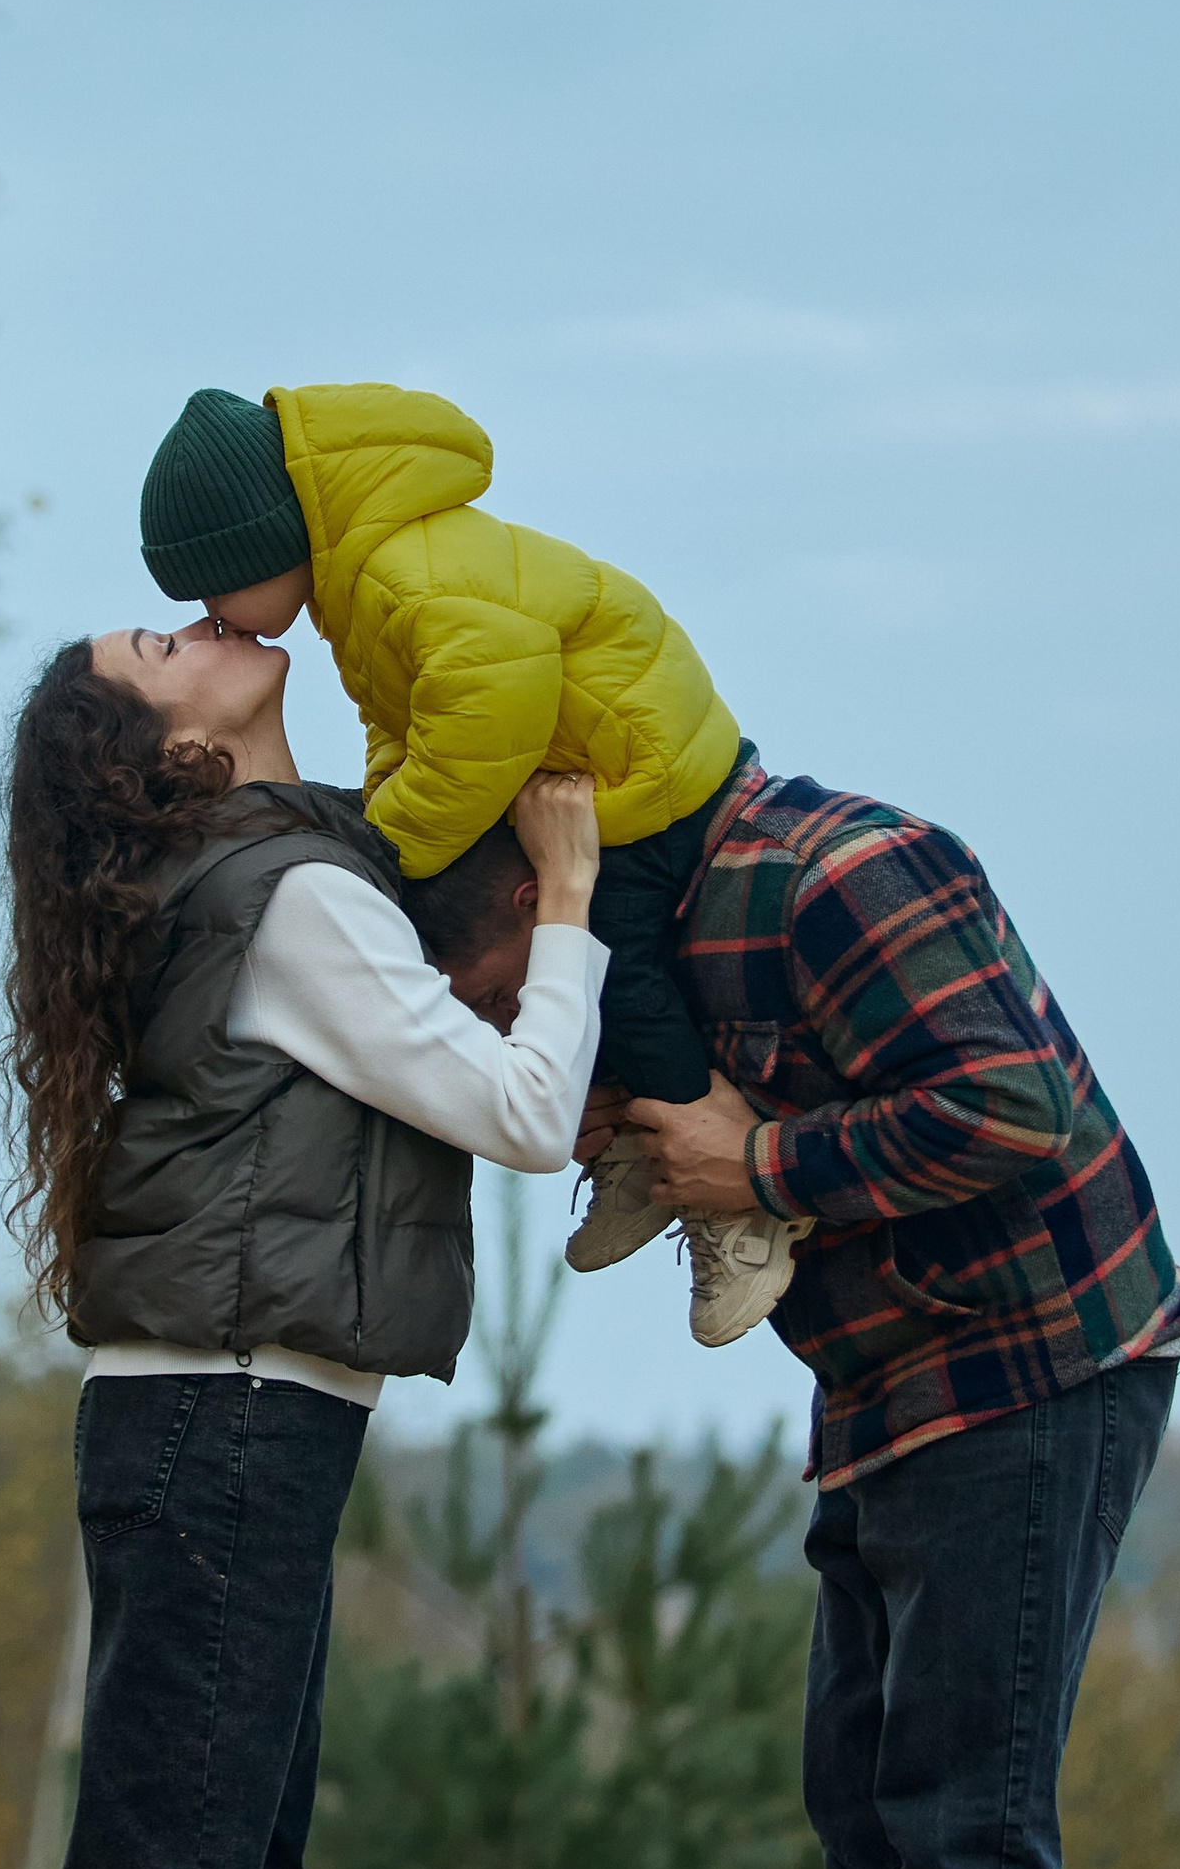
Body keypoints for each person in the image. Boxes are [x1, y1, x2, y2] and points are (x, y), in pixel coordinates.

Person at [414, 753, 1180, 1869]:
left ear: (525, 898)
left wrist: (761, 1165)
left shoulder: (842, 874)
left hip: (1034, 1368)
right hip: (890, 1382)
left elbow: (1008, 1109)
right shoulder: (666, 960)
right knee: (857, 1796)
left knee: (963, 1811)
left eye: (494, 993)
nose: (517, 1030)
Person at [0, 613, 605, 1869]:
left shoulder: (282, 870)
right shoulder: (287, 905)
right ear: (162, 753)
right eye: (152, 648)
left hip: (234, 1414)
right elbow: (518, 1110)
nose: (196, 626)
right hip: (227, 1413)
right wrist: (567, 897)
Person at [133, 377, 805, 1346]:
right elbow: (396, 724)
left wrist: (389, 852)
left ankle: (732, 1194)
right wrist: (376, 841)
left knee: (621, 962)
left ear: (266, 544)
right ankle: (634, 1147)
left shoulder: (408, 573)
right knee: (555, 963)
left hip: (636, 762)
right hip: (574, 760)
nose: (216, 614)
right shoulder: (361, 589)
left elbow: (489, 719)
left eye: (213, 585)